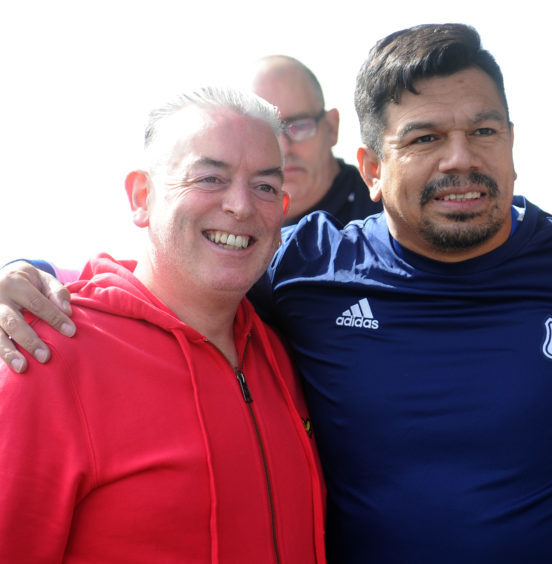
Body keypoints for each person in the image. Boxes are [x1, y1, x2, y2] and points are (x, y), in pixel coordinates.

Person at [2, 25, 552, 564]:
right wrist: (24, 282)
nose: (460, 158)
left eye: (484, 130)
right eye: (425, 138)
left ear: (514, 145)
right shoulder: (299, 269)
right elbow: (171, 271)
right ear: (368, 168)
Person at [0, 87, 326, 563]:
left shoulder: (284, 349)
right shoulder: (45, 355)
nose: (240, 205)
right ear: (142, 196)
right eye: (210, 178)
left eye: (265, 186)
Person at [250, 55, 381, 226]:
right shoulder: (228, 228)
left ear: (332, 128)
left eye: (298, 126)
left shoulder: (390, 225)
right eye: (264, 132)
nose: (283, 148)